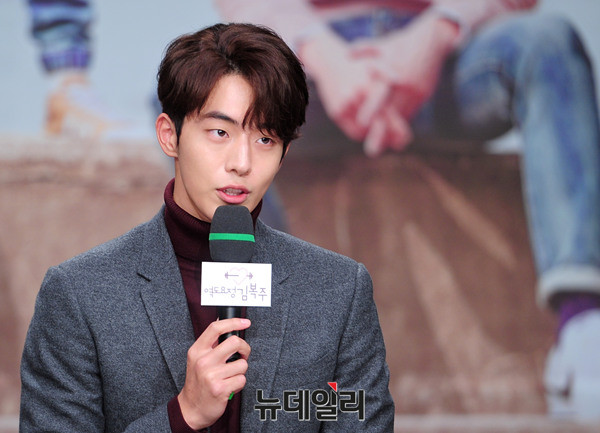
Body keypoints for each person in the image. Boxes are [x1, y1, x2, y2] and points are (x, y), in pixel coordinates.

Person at [215, 0, 600, 421]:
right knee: (197, 91)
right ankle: (258, 341)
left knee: (547, 43)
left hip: (451, 60)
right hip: (308, 65)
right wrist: (320, 51)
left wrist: (435, 33)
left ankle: (583, 331)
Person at [19, 22, 395, 432]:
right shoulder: (80, 294)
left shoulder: (338, 291)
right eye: (220, 132)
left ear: (285, 152)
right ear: (170, 136)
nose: (242, 163)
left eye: (265, 139)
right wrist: (183, 415)